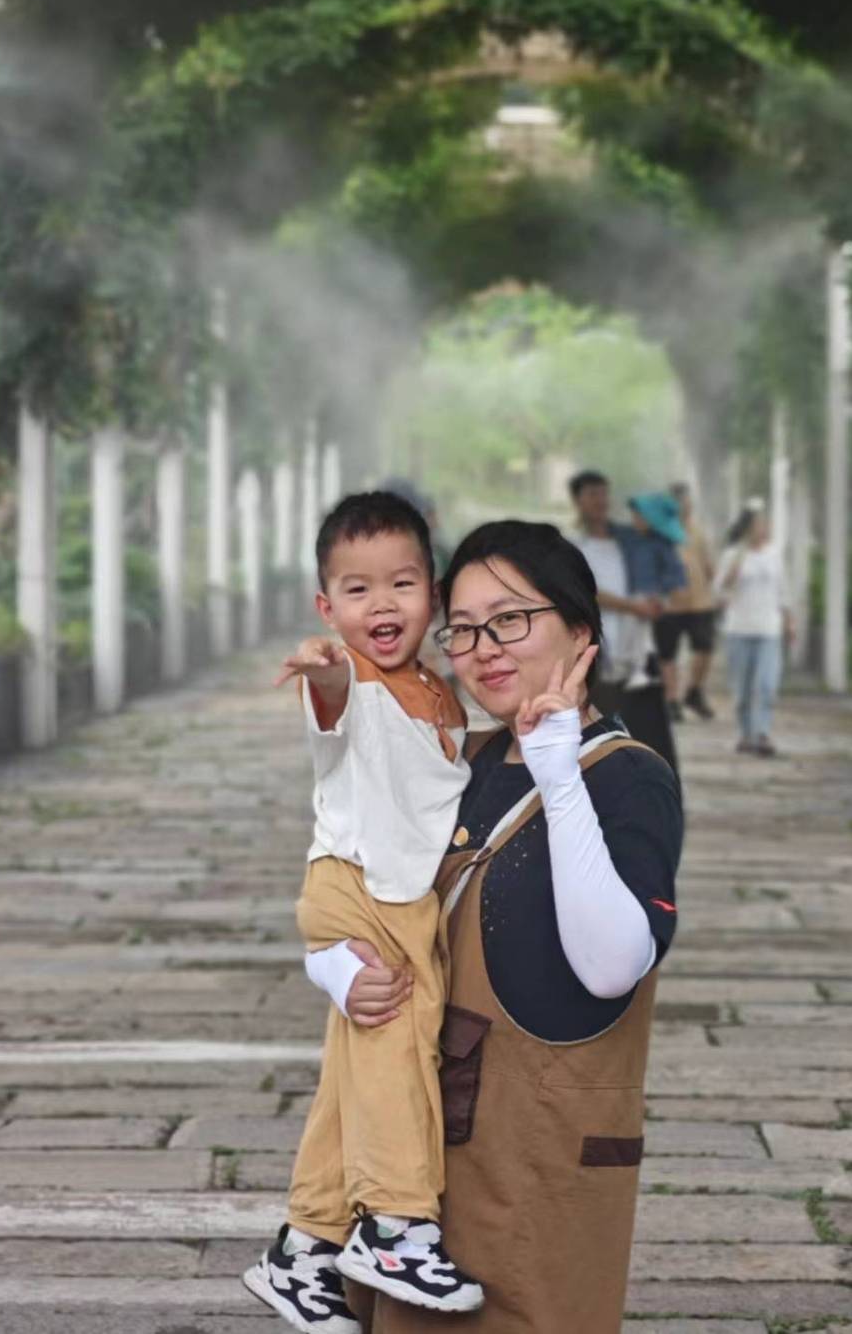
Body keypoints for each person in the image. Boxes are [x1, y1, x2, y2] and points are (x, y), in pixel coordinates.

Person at [306, 521, 684, 1332]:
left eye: (511, 619)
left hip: (541, 1154)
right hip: (421, 1154)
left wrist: (554, 762)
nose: (485, 647)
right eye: (466, 628)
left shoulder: (628, 778)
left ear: (580, 629)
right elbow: (352, 884)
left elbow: (612, 964)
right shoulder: (459, 763)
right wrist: (339, 972)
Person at [243, 491, 482, 1332]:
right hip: (362, 885)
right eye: (356, 589)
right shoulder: (353, 685)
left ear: (434, 592)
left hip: (389, 894)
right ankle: (394, 1225)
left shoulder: (438, 692)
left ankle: (303, 1248)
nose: (380, 604)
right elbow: (335, 696)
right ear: (327, 606)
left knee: (356, 1068)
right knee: (397, 1057)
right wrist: (325, 669)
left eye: (402, 584)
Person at [568, 469, 678, 772]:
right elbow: (585, 592)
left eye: (603, 493)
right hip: (602, 655)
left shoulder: (630, 542)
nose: (600, 501)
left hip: (640, 653)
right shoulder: (575, 548)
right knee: (607, 739)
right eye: (591, 494)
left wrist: (653, 600)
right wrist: (632, 606)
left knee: (654, 741)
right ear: (577, 501)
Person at [713, 504, 792, 758]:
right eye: (758, 524)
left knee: (767, 684)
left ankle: (763, 733)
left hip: (769, 628)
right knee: (743, 689)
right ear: (747, 527)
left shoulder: (774, 555)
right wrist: (739, 558)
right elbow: (719, 590)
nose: (763, 528)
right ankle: (746, 734)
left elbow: (783, 590)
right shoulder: (733, 555)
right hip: (739, 628)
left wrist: (790, 621)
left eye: (764, 523)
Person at [657, 481, 719, 722]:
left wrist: (719, 590)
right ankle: (672, 699)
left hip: (700, 602)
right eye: (680, 503)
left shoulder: (699, 531)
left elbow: (709, 566)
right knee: (667, 654)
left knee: (705, 648)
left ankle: (693, 690)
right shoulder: (659, 534)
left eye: (687, 501)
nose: (686, 506)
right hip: (668, 605)